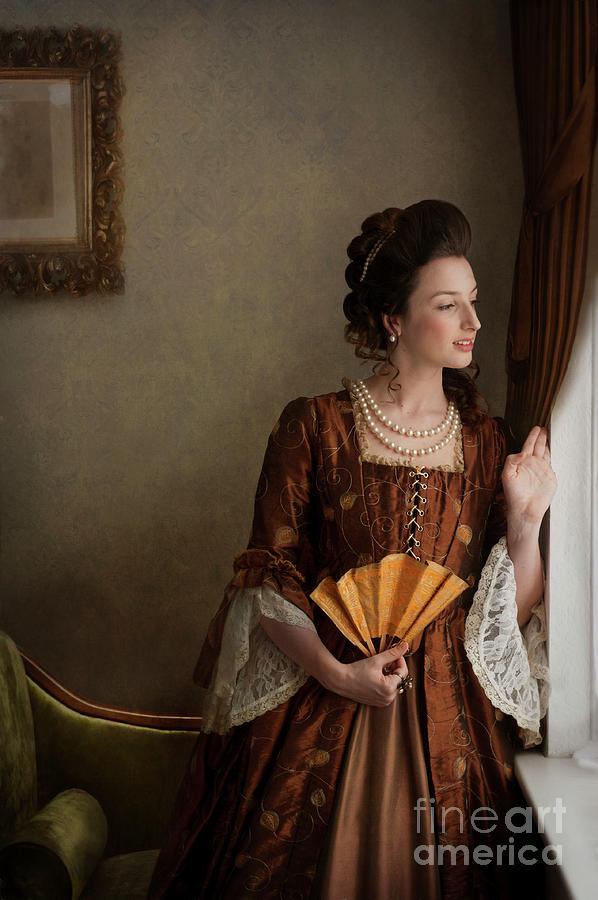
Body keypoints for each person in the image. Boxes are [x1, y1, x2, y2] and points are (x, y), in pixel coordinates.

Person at [148, 200, 556, 899]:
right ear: (394, 320)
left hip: (452, 725)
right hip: (327, 700)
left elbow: (502, 622)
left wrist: (523, 524)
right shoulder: (313, 425)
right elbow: (266, 581)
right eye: (449, 305)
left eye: (475, 303)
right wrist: (340, 676)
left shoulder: (489, 441)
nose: (474, 324)